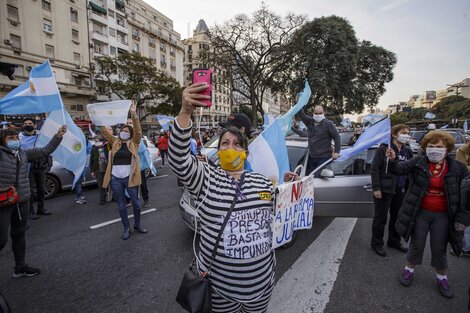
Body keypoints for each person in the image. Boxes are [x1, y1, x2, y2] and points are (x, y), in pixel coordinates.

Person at [170, 83, 298, 313]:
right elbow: (179, 160)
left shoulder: (261, 182)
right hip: (220, 292)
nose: (231, 147)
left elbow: (279, 208)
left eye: (238, 144)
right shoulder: (206, 179)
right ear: (218, 152)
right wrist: (185, 112)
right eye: (225, 143)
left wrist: (290, 185)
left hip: (260, 290)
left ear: (246, 153)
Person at [386, 131, 469, 298]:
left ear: (447, 149)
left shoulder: (458, 168)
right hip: (420, 212)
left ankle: (442, 277)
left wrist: (462, 219)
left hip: (443, 215)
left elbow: (465, 197)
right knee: (417, 244)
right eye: (431, 147)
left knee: (439, 248)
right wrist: (394, 159)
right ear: (425, 147)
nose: (434, 150)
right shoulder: (418, 162)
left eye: (439, 147)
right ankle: (409, 270)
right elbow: (399, 169)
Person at [0, 125, 66, 277]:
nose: (15, 141)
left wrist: (58, 136)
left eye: (16, 138)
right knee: (1, 240)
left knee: (19, 234)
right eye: (10, 138)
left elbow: (45, 151)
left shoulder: (23, 154)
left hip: (22, 200)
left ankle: (20, 268)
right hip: (3, 202)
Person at [100, 102, 148, 240]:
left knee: (137, 204)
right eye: (122, 130)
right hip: (116, 178)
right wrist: (98, 118)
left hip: (130, 178)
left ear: (130, 134)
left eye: (127, 131)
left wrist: (133, 113)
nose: (124, 132)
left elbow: (138, 130)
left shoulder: (135, 142)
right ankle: (126, 228)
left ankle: (137, 224)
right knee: (121, 205)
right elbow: (104, 131)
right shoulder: (114, 141)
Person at [370, 124, 413, 257]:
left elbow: (410, 169)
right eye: (403, 132)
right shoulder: (384, 149)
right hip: (385, 189)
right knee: (380, 218)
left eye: (408, 132)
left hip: (400, 189)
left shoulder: (407, 151)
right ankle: (377, 243)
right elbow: (375, 169)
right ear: (394, 134)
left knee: (397, 217)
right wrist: (377, 188)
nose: (406, 135)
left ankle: (394, 241)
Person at [19, 118, 53, 219]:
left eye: (30, 123)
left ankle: (41, 209)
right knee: (30, 191)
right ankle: (31, 211)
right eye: (25, 123)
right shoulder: (19, 138)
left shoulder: (41, 137)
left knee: (41, 189)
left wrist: (49, 165)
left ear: (34, 125)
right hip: (28, 168)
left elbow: (48, 151)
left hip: (41, 167)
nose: (27, 125)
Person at [297, 106, 341, 175]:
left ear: (324, 113)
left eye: (320, 113)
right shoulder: (309, 122)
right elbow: (302, 115)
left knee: (318, 179)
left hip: (324, 158)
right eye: (316, 113)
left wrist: (336, 152)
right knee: (310, 179)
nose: (318, 115)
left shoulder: (328, 124)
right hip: (311, 158)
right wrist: (299, 102)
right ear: (313, 113)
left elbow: (337, 137)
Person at [455, 141, 470, 257]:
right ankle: (465, 247)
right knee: (465, 214)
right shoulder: (463, 150)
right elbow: (461, 168)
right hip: (467, 185)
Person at [90, 132, 110, 205]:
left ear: (102, 141)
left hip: (107, 168)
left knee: (108, 183)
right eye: (95, 141)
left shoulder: (106, 147)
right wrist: (92, 171)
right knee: (100, 185)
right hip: (98, 169)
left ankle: (111, 196)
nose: (96, 142)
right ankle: (102, 198)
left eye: (97, 140)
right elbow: (91, 160)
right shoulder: (94, 148)